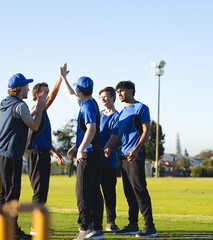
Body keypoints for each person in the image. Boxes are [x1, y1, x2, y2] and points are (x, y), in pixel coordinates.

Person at [0, 73, 48, 240]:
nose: (28, 88)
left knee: (3, 193)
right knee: (12, 194)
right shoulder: (20, 105)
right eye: (26, 86)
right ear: (19, 89)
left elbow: (21, 117)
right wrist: (39, 106)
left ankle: (0, 230)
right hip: (11, 153)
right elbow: (35, 125)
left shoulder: (5, 102)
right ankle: (11, 231)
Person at [104, 81, 158, 238]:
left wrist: (136, 150)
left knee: (140, 190)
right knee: (129, 192)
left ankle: (150, 227)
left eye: (122, 91)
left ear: (131, 91)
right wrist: (109, 147)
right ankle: (133, 225)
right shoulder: (121, 113)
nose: (119, 94)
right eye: (118, 91)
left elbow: (146, 131)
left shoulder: (141, 108)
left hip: (135, 155)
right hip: (123, 156)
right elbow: (117, 136)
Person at [60, 63, 105, 240]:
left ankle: (85, 228)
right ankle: (97, 229)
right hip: (96, 152)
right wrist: (64, 78)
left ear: (80, 89)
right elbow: (70, 94)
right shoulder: (90, 102)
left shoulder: (86, 107)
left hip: (88, 155)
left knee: (82, 192)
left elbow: (91, 129)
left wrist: (80, 149)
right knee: (93, 191)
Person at [26, 76, 65, 236]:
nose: (48, 95)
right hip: (36, 155)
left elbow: (45, 140)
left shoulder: (42, 112)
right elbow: (54, 96)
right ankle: (36, 227)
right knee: (39, 192)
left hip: (43, 154)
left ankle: (39, 224)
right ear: (37, 95)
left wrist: (55, 153)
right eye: (45, 93)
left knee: (43, 192)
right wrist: (61, 78)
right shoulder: (35, 111)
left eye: (48, 92)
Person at [98, 87, 120, 232]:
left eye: (105, 96)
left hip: (109, 162)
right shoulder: (98, 115)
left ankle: (110, 222)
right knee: (93, 193)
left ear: (113, 98)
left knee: (109, 194)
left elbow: (115, 137)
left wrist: (106, 148)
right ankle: (94, 222)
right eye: (101, 97)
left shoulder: (117, 116)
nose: (103, 99)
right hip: (95, 160)